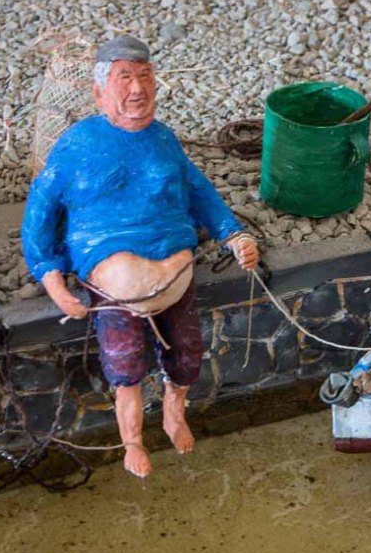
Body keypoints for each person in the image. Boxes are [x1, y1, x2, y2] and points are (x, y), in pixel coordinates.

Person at [22, 34, 259, 478]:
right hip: (116, 289)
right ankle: (132, 441)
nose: (137, 89)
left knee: (188, 355)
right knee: (126, 367)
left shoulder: (163, 138)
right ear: (99, 92)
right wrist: (53, 281)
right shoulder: (77, 145)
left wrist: (234, 235)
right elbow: (40, 212)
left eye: (145, 77)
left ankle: (174, 410)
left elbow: (197, 190)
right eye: (124, 78)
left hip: (176, 276)